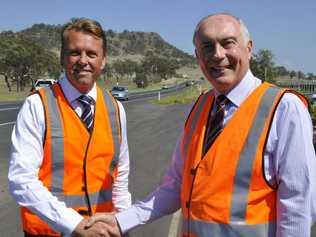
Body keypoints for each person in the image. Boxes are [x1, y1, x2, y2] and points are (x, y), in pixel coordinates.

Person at [85, 13, 316, 237]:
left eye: (228, 43)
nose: (217, 55)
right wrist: (121, 221)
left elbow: (298, 207)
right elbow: (175, 186)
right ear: (197, 56)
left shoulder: (284, 109)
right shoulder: (201, 106)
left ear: (249, 48)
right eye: (207, 47)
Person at [8, 18, 131, 237]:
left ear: (103, 61)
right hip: (50, 232)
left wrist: (123, 222)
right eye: (75, 53)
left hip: (103, 230)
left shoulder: (116, 108)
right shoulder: (37, 105)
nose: (83, 61)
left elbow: (120, 175)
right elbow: (21, 179)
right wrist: (74, 224)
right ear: (63, 58)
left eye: (92, 54)